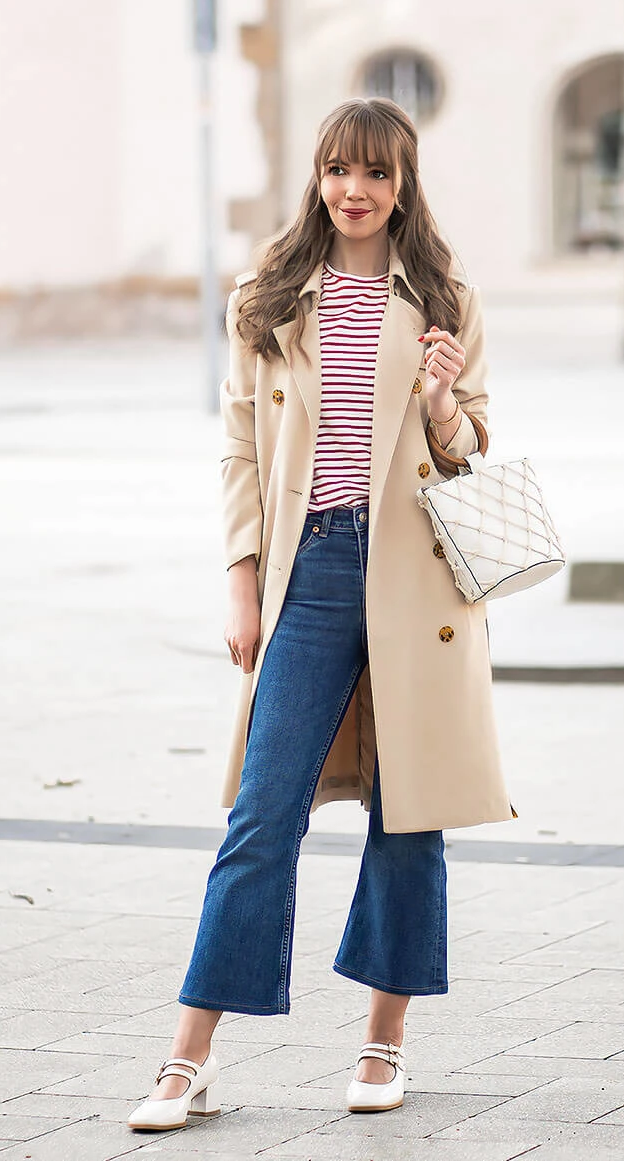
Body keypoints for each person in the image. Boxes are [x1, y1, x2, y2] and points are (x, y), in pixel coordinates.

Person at [128, 97, 514, 1132]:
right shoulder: (271, 293)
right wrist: (242, 581)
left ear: (404, 184)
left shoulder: (442, 294)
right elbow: (241, 447)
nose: (356, 190)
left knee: (408, 810)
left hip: (414, 580)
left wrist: (439, 398)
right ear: (317, 176)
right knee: (262, 813)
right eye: (340, 169)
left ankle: (385, 1045)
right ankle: (186, 1061)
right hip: (310, 574)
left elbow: (467, 447)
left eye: (377, 174)